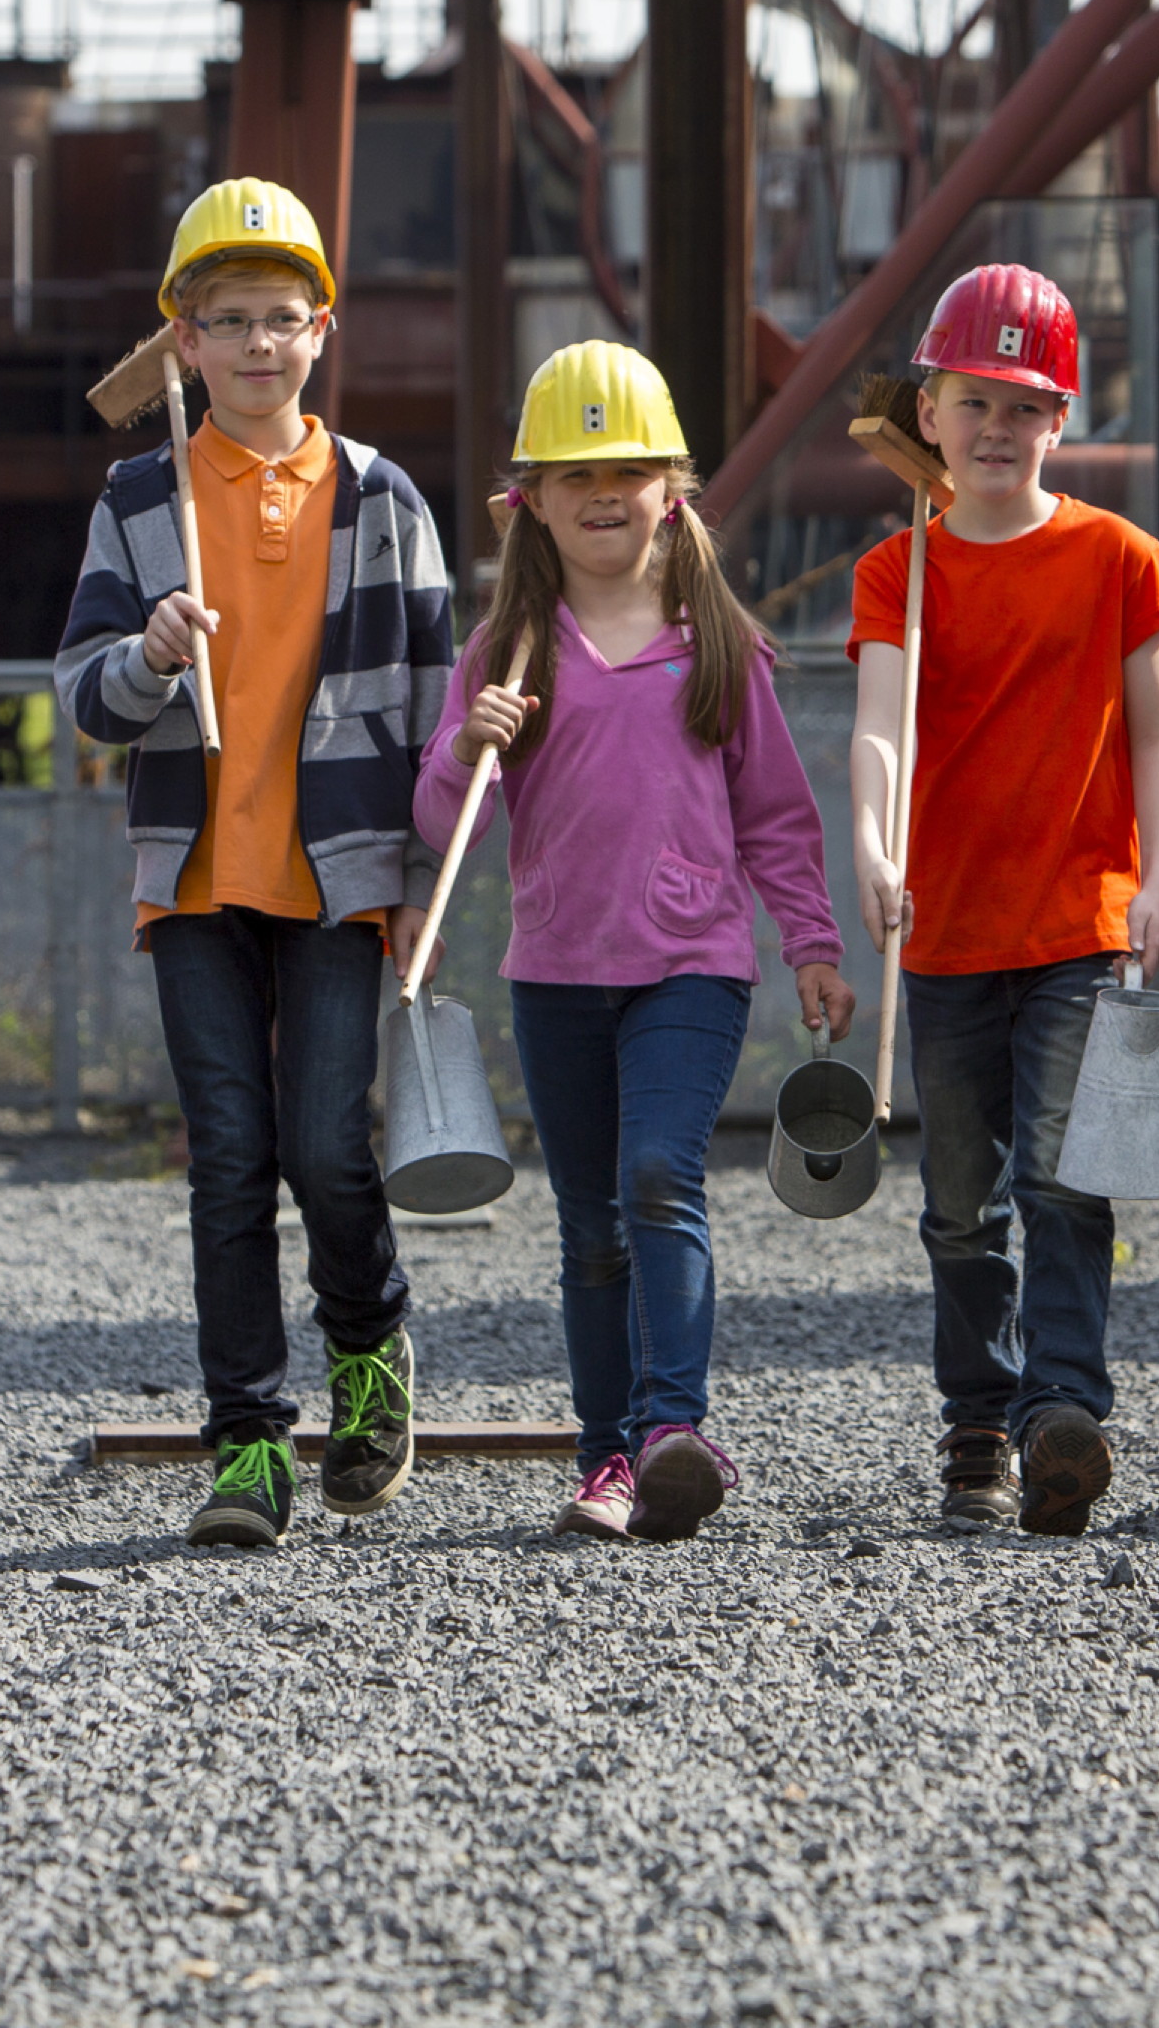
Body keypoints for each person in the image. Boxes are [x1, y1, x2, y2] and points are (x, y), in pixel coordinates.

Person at [55, 179, 450, 1551]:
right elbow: (79, 698)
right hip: (195, 874)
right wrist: (145, 660)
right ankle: (245, 1443)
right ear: (184, 341)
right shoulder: (139, 495)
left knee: (327, 1149)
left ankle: (369, 1343)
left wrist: (429, 874)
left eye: (282, 318)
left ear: (322, 330)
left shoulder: (384, 501)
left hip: (340, 875)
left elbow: (431, 697)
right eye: (229, 321)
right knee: (227, 1157)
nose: (259, 345)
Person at [422, 344, 853, 1542]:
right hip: (555, 972)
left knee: (659, 1172)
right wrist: (467, 747)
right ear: (532, 503)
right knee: (589, 1222)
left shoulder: (718, 642)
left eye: (628, 469)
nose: (602, 493)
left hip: (689, 964)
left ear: (674, 486)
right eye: (574, 474)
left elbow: (774, 813)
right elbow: (435, 819)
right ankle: (606, 1456)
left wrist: (810, 940)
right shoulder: (505, 652)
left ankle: (676, 1426)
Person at [847, 265, 1159, 1537]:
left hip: (1078, 921)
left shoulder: (1119, 557)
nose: (996, 426)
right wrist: (874, 846)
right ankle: (976, 1420)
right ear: (926, 410)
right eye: (971, 399)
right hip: (942, 928)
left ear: (1061, 419)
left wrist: (1158, 872)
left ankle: (1064, 1411)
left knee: (1063, 1177)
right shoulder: (901, 571)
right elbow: (878, 727)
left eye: (1023, 403)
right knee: (955, 1199)